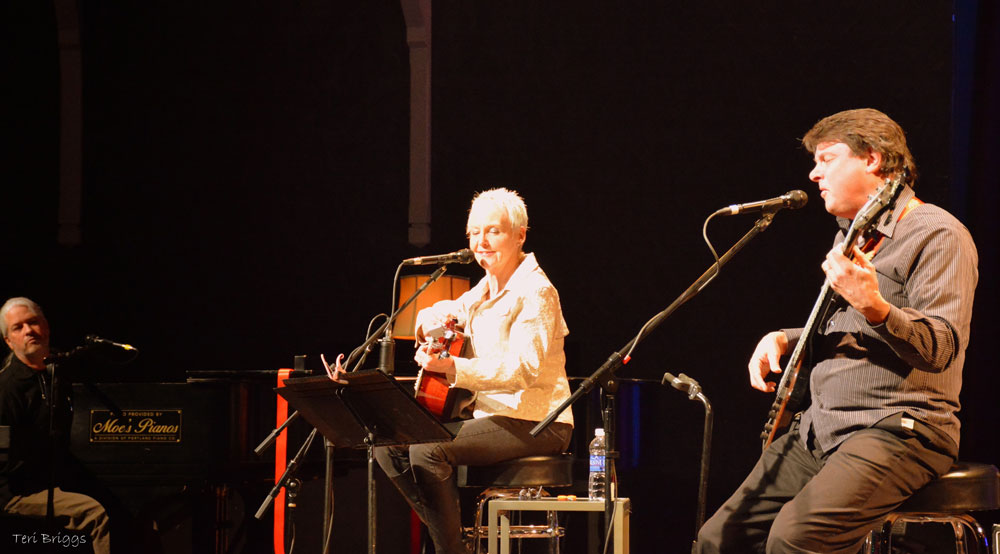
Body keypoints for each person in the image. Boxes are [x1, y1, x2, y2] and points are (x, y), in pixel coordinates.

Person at [695, 109, 978, 554]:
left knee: (797, 539)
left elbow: (942, 346)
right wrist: (787, 336)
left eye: (827, 159)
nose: (813, 173)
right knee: (719, 539)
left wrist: (875, 306)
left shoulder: (938, 233)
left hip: (898, 427)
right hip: (823, 427)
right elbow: (846, 325)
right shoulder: (853, 237)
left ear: (872, 159)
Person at [375, 188, 574, 554]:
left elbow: (524, 370)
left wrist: (454, 367)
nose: (481, 242)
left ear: (520, 235)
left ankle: (451, 549)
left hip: (539, 421)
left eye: (493, 231)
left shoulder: (536, 291)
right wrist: (428, 326)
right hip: (494, 418)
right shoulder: (485, 288)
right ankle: (455, 543)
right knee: (387, 446)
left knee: (426, 451)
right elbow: (439, 312)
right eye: (473, 232)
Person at [1, 297, 111, 553]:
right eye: (18, 327)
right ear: (8, 341)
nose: (28, 330)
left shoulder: (61, 371)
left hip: (57, 480)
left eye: (33, 322)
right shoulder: (7, 387)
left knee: (122, 505)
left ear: (46, 327)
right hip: (18, 493)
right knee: (96, 515)